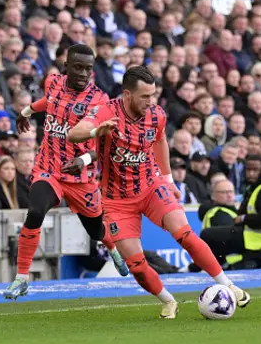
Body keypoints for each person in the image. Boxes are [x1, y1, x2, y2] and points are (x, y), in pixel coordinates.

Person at [68, 66, 250, 319]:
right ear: (128, 95)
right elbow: (73, 133)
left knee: (185, 235)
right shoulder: (105, 111)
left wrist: (168, 180)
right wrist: (94, 132)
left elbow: (161, 140)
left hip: (152, 186)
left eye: (153, 95)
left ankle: (229, 285)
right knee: (137, 267)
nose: (150, 101)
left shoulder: (156, 115)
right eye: (145, 96)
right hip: (117, 200)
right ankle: (168, 301)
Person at [3, 44, 129, 301]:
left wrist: (83, 159)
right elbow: (48, 102)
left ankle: (113, 248)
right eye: (78, 67)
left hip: (80, 178)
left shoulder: (99, 100)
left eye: (88, 69)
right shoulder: (53, 83)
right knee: (36, 211)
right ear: (66, 67)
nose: (84, 73)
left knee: (95, 230)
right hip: (48, 167)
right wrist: (27, 111)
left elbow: (105, 147)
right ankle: (22, 278)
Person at [200, 155, 261, 270]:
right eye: (248, 170)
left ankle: (216, 269)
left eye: (255, 170)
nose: (251, 173)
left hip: (259, 239)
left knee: (207, 235)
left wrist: (243, 219)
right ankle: (221, 268)